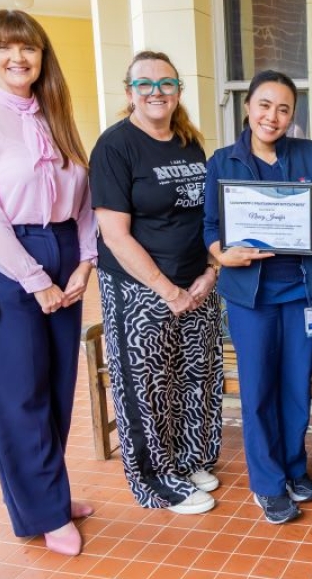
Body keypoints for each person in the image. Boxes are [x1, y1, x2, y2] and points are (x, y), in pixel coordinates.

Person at [0, 9, 97, 556]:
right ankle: (41, 511)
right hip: (1, 258)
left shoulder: (55, 111)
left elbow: (83, 195)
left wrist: (84, 261)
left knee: (57, 383)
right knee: (18, 391)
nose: (18, 58)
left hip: (60, 248)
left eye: (28, 48)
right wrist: (34, 278)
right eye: (5, 47)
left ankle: (49, 492)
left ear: (41, 55)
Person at [89, 51, 223, 516]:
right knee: (147, 385)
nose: (156, 92)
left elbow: (208, 217)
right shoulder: (115, 146)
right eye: (144, 84)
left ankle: (188, 461)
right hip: (140, 289)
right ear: (129, 93)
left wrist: (209, 272)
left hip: (197, 284)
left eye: (166, 83)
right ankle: (156, 481)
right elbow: (114, 234)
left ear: (179, 90)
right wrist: (168, 291)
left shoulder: (191, 144)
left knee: (196, 378)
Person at [203, 70, 312, 524]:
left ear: (293, 115)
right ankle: (266, 482)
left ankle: (294, 468)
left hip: (303, 293)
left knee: (296, 386)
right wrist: (224, 254)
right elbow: (209, 227)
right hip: (251, 295)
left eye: (283, 109)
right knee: (259, 389)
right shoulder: (223, 161)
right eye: (264, 105)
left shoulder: (311, 154)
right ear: (248, 107)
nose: (272, 116)